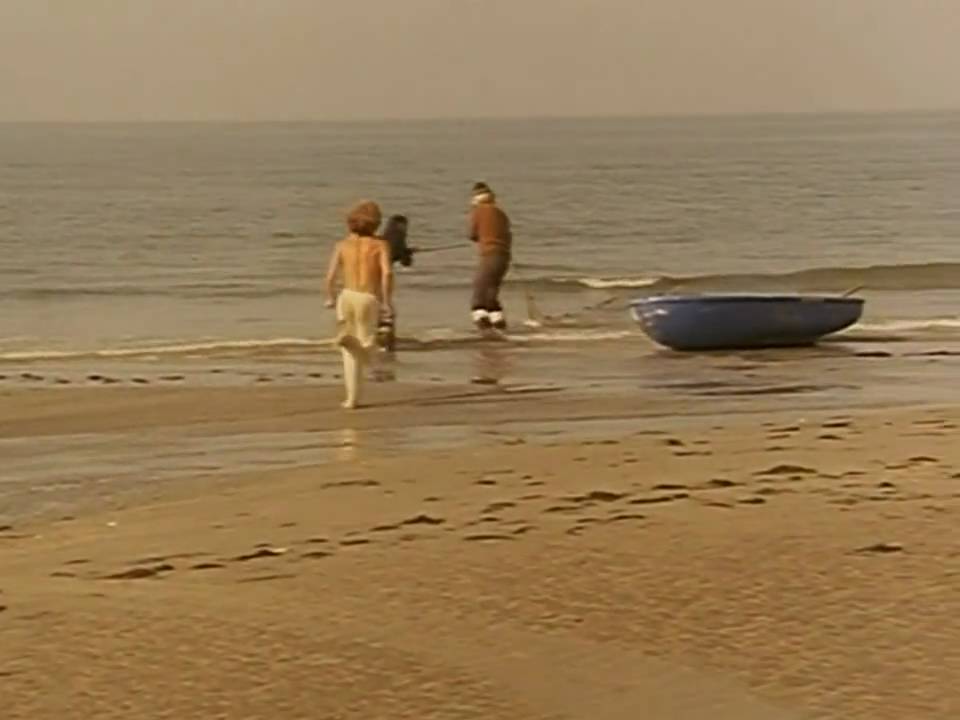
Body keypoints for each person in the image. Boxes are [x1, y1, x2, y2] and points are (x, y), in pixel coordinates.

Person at [324, 200, 393, 409]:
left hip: (346, 296)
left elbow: (330, 276)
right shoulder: (380, 245)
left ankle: (352, 399)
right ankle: (356, 345)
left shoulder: (342, 245)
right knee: (367, 345)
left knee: (349, 354)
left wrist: (329, 296)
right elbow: (387, 274)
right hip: (367, 298)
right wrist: (387, 301)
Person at [468, 182, 512, 330]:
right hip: (504, 256)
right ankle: (498, 322)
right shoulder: (501, 214)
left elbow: (472, 234)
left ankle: (483, 322)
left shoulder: (478, 212)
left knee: (479, 289)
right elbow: (507, 235)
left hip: (489, 255)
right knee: (491, 290)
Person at [377, 214, 417, 352]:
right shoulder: (398, 237)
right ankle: (386, 343)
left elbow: (394, 254)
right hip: (383, 278)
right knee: (387, 310)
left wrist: (406, 251)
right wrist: (407, 253)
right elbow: (406, 262)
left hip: (372, 277)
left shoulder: (382, 239)